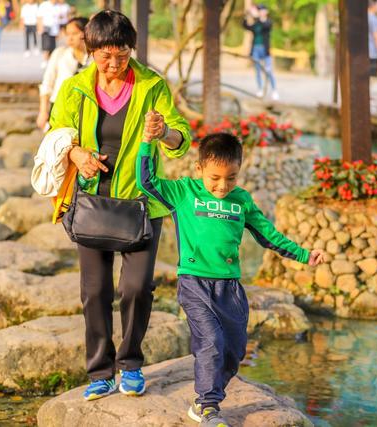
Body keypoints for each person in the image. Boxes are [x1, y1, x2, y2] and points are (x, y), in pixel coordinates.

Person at [46, 10, 191, 401]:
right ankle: (99, 371)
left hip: (141, 203)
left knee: (137, 288)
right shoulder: (75, 88)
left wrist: (166, 133)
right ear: (90, 50)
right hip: (91, 201)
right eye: (104, 55)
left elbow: (183, 138)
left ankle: (130, 364)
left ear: (132, 49)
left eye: (122, 54)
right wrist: (76, 154)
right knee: (94, 292)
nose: (113, 64)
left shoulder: (152, 85)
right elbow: (55, 132)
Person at [136, 132, 326, 427]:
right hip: (195, 283)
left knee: (235, 349)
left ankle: (207, 395)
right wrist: (147, 142)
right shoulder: (184, 192)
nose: (222, 186)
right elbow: (146, 181)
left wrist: (303, 255)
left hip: (231, 288)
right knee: (211, 340)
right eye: (214, 178)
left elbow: (268, 235)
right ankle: (208, 405)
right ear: (198, 170)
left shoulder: (242, 201)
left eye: (231, 178)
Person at [36, 16, 90, 129]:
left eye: (74, 33)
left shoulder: (94, 59)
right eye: (68, 34)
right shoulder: (59, 54)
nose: (70, 38)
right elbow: (47, 84)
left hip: (85, 111)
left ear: (86, 34)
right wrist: (43, 111)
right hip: (58, 107)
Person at [243, 4, 279, 100]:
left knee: (268, 70)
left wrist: (257, 16)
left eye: (262, 10)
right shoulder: (256, 23)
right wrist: (247, 15)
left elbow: (266, 26)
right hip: (255, 49)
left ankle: (274, 90)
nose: (260, 12)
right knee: (257, 70)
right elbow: (246, 26)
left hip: (265, 49)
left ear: (266, 11)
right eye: (259, 10)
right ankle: (260, 89)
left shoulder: (268, 22)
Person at [37, 0, 59, 68]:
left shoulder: (57, 6)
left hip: (54, 30)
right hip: (46, 29)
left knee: (53, 47)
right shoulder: (44, 5)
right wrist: (40, 27)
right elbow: (39, 17)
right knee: (46, 46)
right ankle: (45, 60)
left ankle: (50, 61)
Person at [368, 0, 377, 77]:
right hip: (372, 52)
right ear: (374, 5)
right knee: (371, 76)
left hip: (362, 52)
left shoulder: (362, 18)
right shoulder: (374, 19)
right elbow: (376, 36)